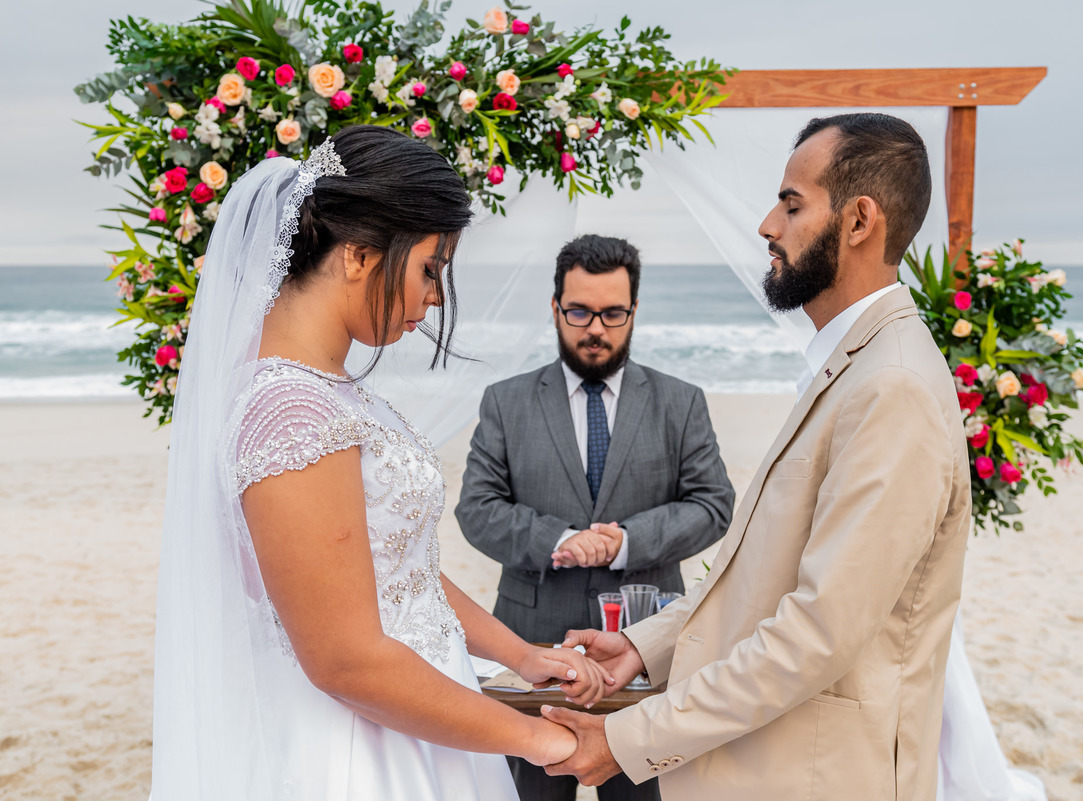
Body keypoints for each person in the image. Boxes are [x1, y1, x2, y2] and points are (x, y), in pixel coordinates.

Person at [151, 125, 612, 801]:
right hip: (361, 746)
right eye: (431, 268)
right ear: (360, 255)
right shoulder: (292, 412)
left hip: (419, 718)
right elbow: (346, 658)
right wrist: (542, 739)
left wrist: (516, 653)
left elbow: (394, 569)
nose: (435, 299)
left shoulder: (324, 392)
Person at [538, 113, 972, 801]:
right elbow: (762, 576)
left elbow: (817, 631)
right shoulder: (853, 368)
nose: (768, 224)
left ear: (860, 221)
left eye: (792, 203)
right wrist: (648, 647)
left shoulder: (893, 386)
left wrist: (629, 739)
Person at [455, 234, 735, 801]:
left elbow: (713, 505)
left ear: (633, 311)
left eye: (613, 313)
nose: (596, 329)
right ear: (556, 308)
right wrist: (559, 539)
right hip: (530, 657)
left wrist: (625, 542)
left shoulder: (681, 401)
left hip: (645, 653)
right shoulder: (505, 401)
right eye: (580, 311)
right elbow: (476, 510)